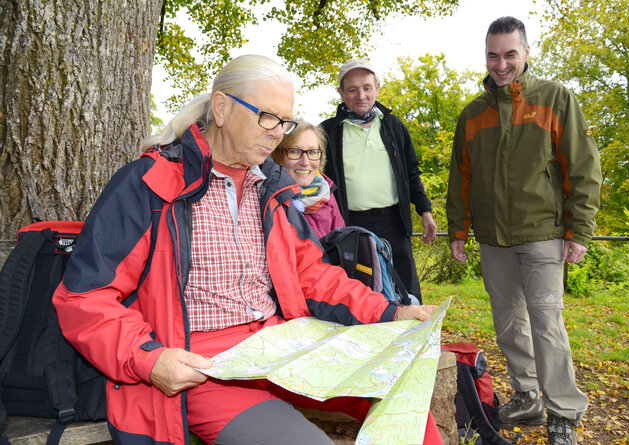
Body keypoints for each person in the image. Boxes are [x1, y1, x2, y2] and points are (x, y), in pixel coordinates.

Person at [52, 54, 443, 445]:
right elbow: (84, 298)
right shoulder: (150, 184)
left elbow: (312, 275)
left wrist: (392, 310)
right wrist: (149, 359)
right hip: (205, 368)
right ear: (221, 107)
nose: (278, 133)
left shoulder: (272, 188)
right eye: (268, 117)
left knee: (406, 399)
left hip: (281, 349)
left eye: (286, 121)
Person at [446, 17, 602, 445]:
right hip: (493, 239)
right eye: (494, 55)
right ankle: (528, 394)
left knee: (546, 324)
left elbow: (583, 168)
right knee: (509, 323)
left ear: (527, 53)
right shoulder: (473, 114)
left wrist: (579, 230)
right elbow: (460, 176)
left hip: (543, 234)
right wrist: (458, 230)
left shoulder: (556, 99)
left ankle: (563, 411)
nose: (502, 64)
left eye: (510, 54)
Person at [321, 58, 437, 302]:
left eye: (366, 88)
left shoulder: (394, 127)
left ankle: (409, 338)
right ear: (341, 93)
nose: (360, 95)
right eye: (352, 89)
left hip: (394, 222)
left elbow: (412, 172)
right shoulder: (327, 132)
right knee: (360, 293)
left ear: (377, 88)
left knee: (406, 292)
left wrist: (425, 210)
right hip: (351, 225)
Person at [271, 120, 345, 238]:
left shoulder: (325, 191)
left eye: (312, 152)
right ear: (278, 156)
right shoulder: (268, 198)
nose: (305, 162)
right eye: (295, 151)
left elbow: (341, 243)